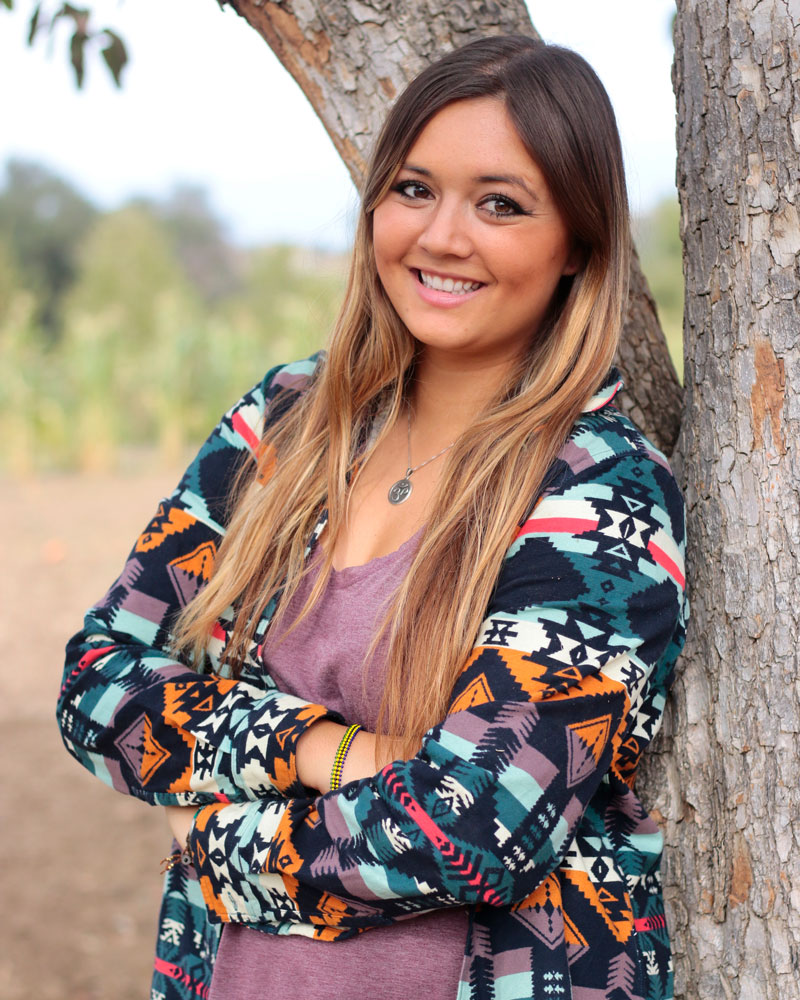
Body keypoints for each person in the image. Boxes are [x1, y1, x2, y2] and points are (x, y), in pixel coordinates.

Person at [58, 34, 687, 1000]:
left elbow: (477, 826)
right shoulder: (284, 426)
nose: (441, 236)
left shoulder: (601, 495)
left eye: (501, 204)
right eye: (413, 189)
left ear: (580, 246)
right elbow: (98, 683)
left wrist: (219, 846)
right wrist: (323, 748)